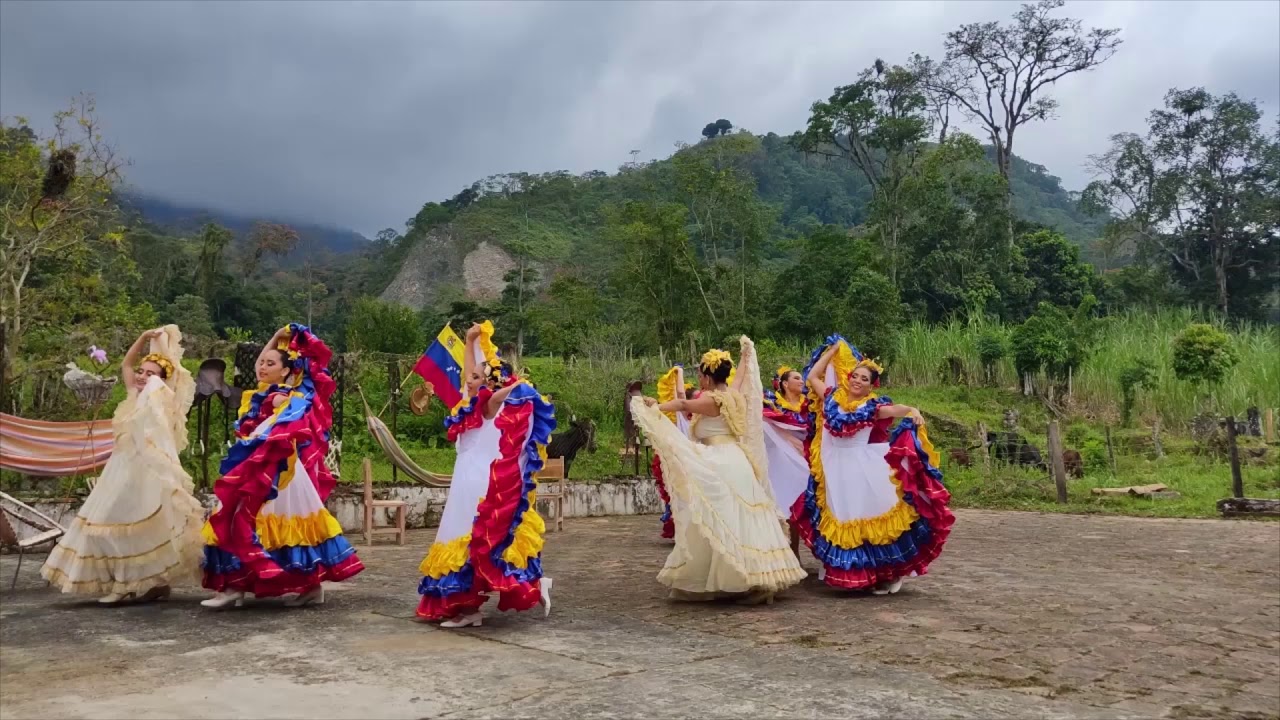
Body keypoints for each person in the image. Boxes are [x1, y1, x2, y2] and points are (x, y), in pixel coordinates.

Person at [631, 337, 806, 605]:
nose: (699, 379)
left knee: (725, 520)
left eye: (700, 375)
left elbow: (683, 405)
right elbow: (739, 380)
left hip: (720, 460)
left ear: (708, 377)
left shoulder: (713, 400)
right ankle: (753, 578)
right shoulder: (732, 394)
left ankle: (749, 580)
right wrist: (746, 358)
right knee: (740, 520)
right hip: (734, 460)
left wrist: (655, 407)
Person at [200, 324, 363, 609]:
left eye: (270, 363)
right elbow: (262, 362)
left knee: (244, 517)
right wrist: (276, 337)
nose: (262, 366)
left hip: (278, 471)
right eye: (261, 362)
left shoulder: (288, 397)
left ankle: (248, 588)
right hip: (268, 467)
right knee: (246, 517)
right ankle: (240, 587)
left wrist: (279, 404)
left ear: (286, 370)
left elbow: (291, 429)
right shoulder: (268, 392)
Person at [41, 326, 205, 604]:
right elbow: (127, 364)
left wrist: (160, 375)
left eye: (150, 374)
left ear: (163, 381)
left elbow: (165, 391)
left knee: (135, 522)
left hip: (144, 471)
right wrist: (143, 338)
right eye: (143, 372)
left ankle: (132, 583)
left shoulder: (163, 398)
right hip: (121, 467)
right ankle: (143, 582)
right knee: (110, 520)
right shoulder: (135, 392)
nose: (142, 377)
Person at [415, 322, 554, 628]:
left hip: (480, 484)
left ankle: (475, 607)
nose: (469, 378)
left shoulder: (489, 404)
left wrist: (511, 384)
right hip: (465, 482)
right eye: (472, 375)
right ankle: (478, 607)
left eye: (477, 376)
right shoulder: (470, 401)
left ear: (489, 383)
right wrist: (469, 341)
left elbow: (510, 390)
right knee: (472, 543)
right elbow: (470, 371)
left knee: (478, 542)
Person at [792, 335, 953, 594]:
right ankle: (862, 574)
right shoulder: (832, 398)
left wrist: (913, 410)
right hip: (836, 469)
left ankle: (890, 573)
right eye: (855, 376)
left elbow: (896, 409)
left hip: (862, 467)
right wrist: (832, 352)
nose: (857, 381)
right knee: (846, 517)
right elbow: (812, 377)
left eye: (864, 379)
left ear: (870, 386)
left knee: (872, 520)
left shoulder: (872, 406)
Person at [761, 366, 813, 558]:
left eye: (802, 378)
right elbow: (764, 421)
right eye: (797, 378)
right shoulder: (772, 402)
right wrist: (786, 439)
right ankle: (778, 552)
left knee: (797, 503)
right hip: (778, 458)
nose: (802, 381)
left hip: (801, 457)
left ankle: (795, 551)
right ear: (784, 383)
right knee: (779, 503)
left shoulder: (808, 404)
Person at [650, 366, 694, 540]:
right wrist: (679, 375)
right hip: (683, 462)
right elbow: (680, 397)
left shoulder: (699, 419)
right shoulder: (682, 419)